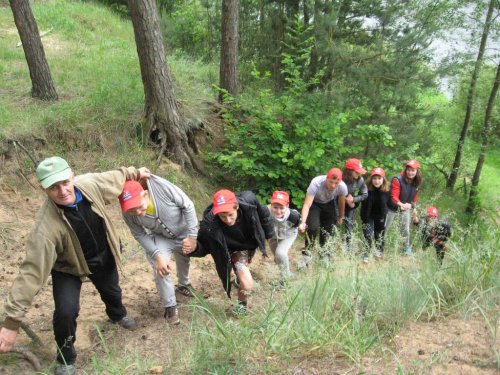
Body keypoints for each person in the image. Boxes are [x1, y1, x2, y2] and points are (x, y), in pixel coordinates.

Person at [0, 156, 150, 375]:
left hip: (102, 254)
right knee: (65, 312)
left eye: (65, 183)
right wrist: (12, 322)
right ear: (44, 190)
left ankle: (117, 314)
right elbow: (30, 273)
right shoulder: (45, 228)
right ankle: (65, 358)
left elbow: (117, 176)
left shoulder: (89, 185)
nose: (62, 191)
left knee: (112, 291)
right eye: (54, 187)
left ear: (72, 176)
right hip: (67, 267)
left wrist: (136, 172)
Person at [119, 177, 198, 325]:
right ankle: (170, 306)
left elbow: (187, 205)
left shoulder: (161, 189)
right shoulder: (128, 213)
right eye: (131, 210)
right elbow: (139, 234)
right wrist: (157, 255)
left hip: (183, 231)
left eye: (139, 206)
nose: (137, 212)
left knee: (184, 256)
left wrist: (192, 236)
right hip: (161, 237)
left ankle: (184, 284)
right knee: (161, 267)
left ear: (146, 195)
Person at [185, 189, 274, 315]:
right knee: (247, 284)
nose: (227, 219)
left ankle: (239, 279)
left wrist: (269, 232)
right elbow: (204, 246)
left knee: (246, 266)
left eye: (230, 214)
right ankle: (241, 308)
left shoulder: (249, 201)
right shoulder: (209, 224)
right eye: (222, 216)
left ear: (236, 206)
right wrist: (193, 248)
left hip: (250, 243)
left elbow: (264, 212)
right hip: (231, 251)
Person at [297, 167, 347, 267]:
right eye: (330, 182)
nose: (333, 185)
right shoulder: (316, 183)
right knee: (312, 227)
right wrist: (303, 222)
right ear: (326, 179)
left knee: (328, 230)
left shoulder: (342, 187)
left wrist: (341, 216)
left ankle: (324, 254)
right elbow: (307, 204)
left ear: (339, 182)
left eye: (336, 183)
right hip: (315, 204)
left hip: (329, 204)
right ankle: (306, 255)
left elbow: (342, 203)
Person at [385, 160, 423, 255]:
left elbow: (414, 198)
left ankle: (406, 249)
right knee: (384, 228)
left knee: (405, 230)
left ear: (417, 171)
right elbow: (393, 196)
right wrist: (402, 205)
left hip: (405, 208)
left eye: (413, 170)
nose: (410, 172)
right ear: (406, 170)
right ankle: (376, 246)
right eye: (409, 170)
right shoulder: (397, 179)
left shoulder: (417, 181)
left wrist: (414, 209)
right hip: (391, 207)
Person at [267, 191, 300, 285]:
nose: (278, 211)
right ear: (271, 204)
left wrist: (302, 226)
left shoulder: (293, 215)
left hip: (288, 235)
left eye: (281, 208)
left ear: (287, 206)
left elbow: (300, 223)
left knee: (280, 253)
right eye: (275, 207)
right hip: (273, 237)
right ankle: (288, 274)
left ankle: (285, 280)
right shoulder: (265, 212)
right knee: (277, 258)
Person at [360, 167, 390, 262]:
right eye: (374, 178)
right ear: (371, 179)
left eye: (379, 179)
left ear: (383, 179)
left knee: (379, 234)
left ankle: (379, 251)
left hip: (380, 215)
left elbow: (390, 203)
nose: (376, 181)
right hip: (367, 215)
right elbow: (360, 199)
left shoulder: (387, 190)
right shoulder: (366, 188)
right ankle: (366, 253)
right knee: (367, 234)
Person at [343, 158, 368, 248]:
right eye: (356, 172)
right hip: (337, 204)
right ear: (349, 171)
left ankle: (348, 247)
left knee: (349, 225)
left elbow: (365, 194)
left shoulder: (360, 180)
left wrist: (353, 199)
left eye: (360, 172)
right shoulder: (340, 179)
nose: (359, 174)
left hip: (350, 205)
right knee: (333, 223)